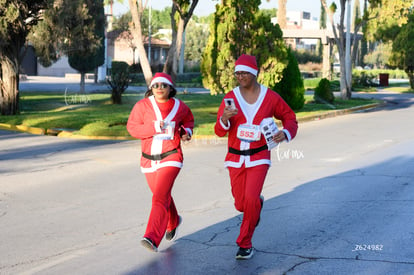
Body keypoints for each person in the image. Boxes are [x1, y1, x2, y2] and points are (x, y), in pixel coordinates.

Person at [214, 54, 298, 260]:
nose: (240, 76)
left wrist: (285, 133)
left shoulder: (270, 97)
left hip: (259, 157)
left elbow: (290, 118)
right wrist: (224, 118)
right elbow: (219, 131)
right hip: (235, 158)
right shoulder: (230, 97)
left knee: (250, 199)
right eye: (237, 73)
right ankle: (255, 206)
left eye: (244, 72)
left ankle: (245, 243)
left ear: (255, 73)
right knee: (241, 204)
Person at [127, 72, 194, 252]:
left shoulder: (180, 106)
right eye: (156, 85)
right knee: (162, 195)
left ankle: (152, 237)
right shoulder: (142, 106)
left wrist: (187, 131)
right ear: (151, 88)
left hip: (171, 156)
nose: (159, 89)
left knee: (159, 197)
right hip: (148, 160)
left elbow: (188, 120)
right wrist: (153, 128)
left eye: (164, 85)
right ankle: (173, 220)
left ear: (171, 88)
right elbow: (132, 128)